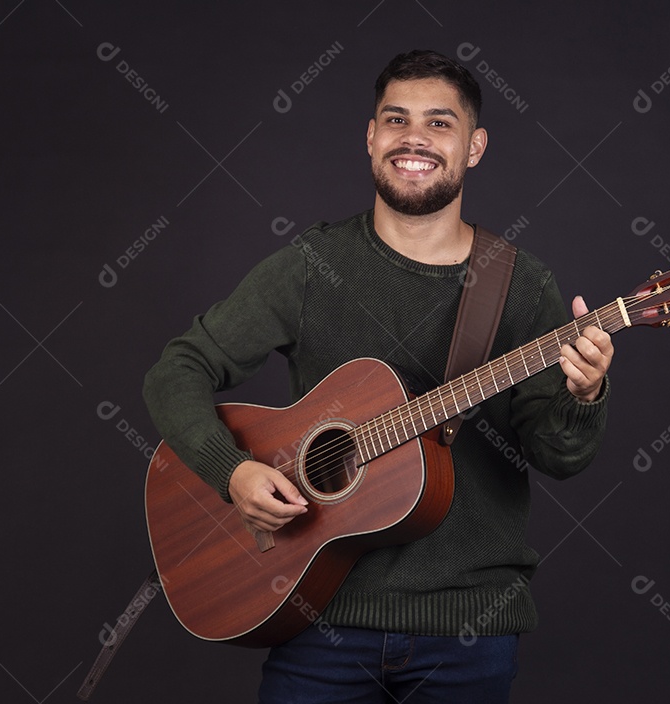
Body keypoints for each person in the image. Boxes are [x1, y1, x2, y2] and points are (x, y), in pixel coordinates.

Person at [142, 49, 613, 703]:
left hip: (468, 630)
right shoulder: (311, 266)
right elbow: (177, 371)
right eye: (396, 119)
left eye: (439, 123)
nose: (414, 137)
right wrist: (233, 471)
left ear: (474, 147)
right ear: (371, 138)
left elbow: (558, 455)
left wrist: (583, 394)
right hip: (315, 620)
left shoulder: (522, 284)